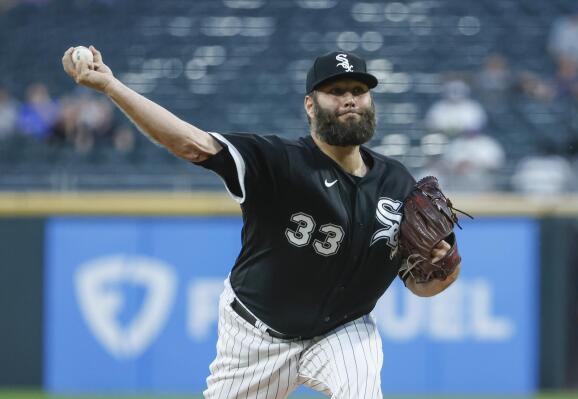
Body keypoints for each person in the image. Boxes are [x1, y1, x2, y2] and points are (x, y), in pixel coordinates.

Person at [62, 46, 460, 398]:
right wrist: (113, 88)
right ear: (310, 105)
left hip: (344, 329)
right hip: (256, 335)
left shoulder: (397, 183)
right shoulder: (277, 160)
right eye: (336, 91)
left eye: (358, 91)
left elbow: (423, 287)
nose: (349, 100)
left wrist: (447, 264)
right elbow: (192, 143)